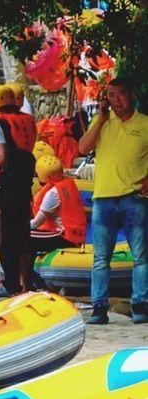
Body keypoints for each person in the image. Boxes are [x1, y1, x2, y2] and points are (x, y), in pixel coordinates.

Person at [79, 77, 148, 324]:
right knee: (100, 258)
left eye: (120, 94)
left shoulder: (145, 124)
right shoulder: (103, 123)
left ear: (132, 96)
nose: (115, 100)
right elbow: (83, 148)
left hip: (134, 198)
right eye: (110, 95)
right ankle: (99, 307)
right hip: (104, 198)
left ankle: (140, 303)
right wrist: (100, 119)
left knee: (140, 255)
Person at [0, 83, 39, 296]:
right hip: (24, 186)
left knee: (4, 237)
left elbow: (1, 156)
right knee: (23, 235)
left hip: (4, 187)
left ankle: (12, 285)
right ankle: (25, 283)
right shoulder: (28, 120)